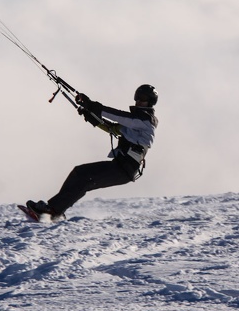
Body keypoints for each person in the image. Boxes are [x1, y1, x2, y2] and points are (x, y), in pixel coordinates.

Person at [25, 84, 158, 221]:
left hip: (125, 169)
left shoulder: (145, 120)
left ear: (151, 102)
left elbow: (117, 116)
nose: (138, 101)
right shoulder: (135, 122)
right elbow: (112, 128)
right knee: (79, 173)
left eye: (142, 98)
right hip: (120, 166)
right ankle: (54, 210)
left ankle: (53, 211)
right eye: (137, 97)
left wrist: (92, 106)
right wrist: (91, 116)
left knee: (84, 178)